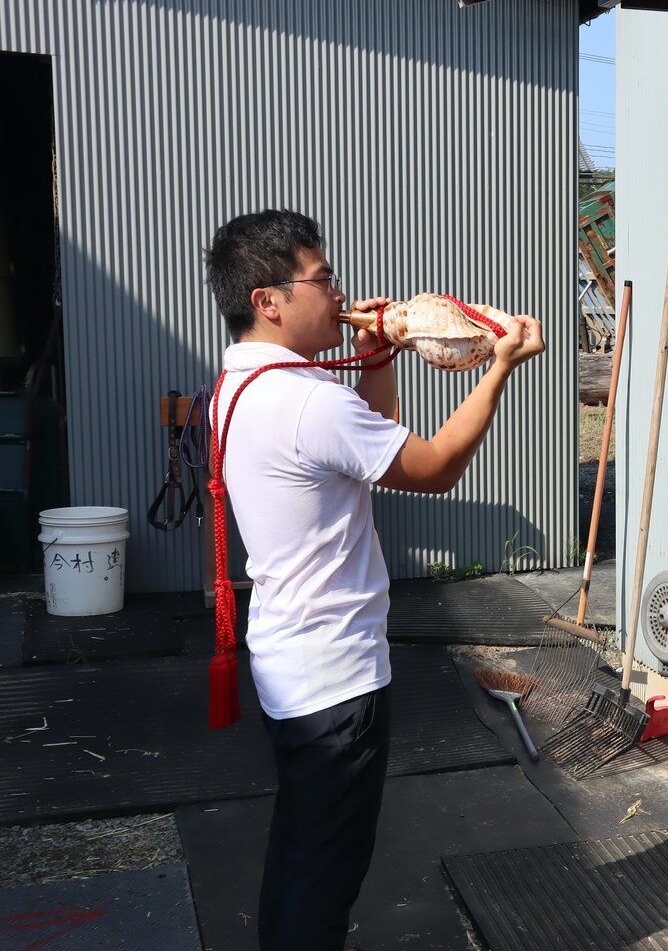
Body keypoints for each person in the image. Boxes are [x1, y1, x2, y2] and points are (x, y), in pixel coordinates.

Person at [204, 209, 544, 951]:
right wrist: (500, 368)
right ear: (269, 300)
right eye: (321, 279)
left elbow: (368, 447)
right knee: (325, 874)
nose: (339, 293)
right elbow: (434, 467)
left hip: (289, 660)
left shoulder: (241, 383)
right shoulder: (307, 400)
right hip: (335, 676)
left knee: (302, 845)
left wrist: (376, 358)